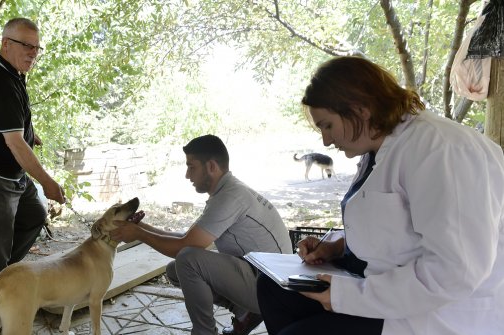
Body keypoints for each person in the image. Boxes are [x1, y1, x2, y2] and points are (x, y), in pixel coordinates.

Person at [257, 56, 504, 335]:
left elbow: (456, 271)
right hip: (387, 290)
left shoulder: (441, 150)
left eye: (327, 125)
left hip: (438, 314)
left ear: (359, 110)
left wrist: (347, 296)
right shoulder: (382, 147)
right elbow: (396, 227)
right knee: (275, 289)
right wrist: (337, 245)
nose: (326, 141)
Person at [112, 134, 293, 335]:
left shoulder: (230, 197)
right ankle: (245, 312)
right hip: (265, 281)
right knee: (176, 269)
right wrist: (142, 229)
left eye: (191, 167)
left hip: (273, 290)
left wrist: (139, 234)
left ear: (211, 167)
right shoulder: (228, 191)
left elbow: (185, 247)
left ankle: (204, 332)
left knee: (187, 260)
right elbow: (188, 239)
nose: (187, 175)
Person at [0, 17, 66, 328]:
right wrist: (47, 182)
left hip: (12, 175)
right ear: (6, 44)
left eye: (36, 47)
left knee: (34, 215)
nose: (33, 52)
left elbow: (13, 129)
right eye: (26, 46)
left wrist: (30, 133)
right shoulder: (0, 81)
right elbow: (14, 144)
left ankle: (4, 284)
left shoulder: (14, 74)